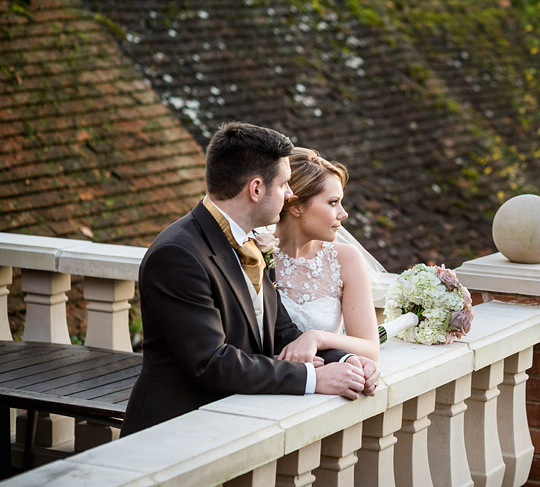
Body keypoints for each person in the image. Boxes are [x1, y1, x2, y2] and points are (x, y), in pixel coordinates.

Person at [121, 123, 379, 436]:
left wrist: (349, 361)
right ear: (256, 189)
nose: (290, 193)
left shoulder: (251, 243)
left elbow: (281, 332)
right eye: (284, 184)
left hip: (235, 423)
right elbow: (212, 362)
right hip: (176, 429)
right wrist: (313, 379)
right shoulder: (179, 255)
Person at [271, 147, 380, 362]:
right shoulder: (255, 257)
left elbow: (370, 348)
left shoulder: (345, 259)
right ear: (296, 206)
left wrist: (317, 338)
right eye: (333, 202)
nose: (344, 213)